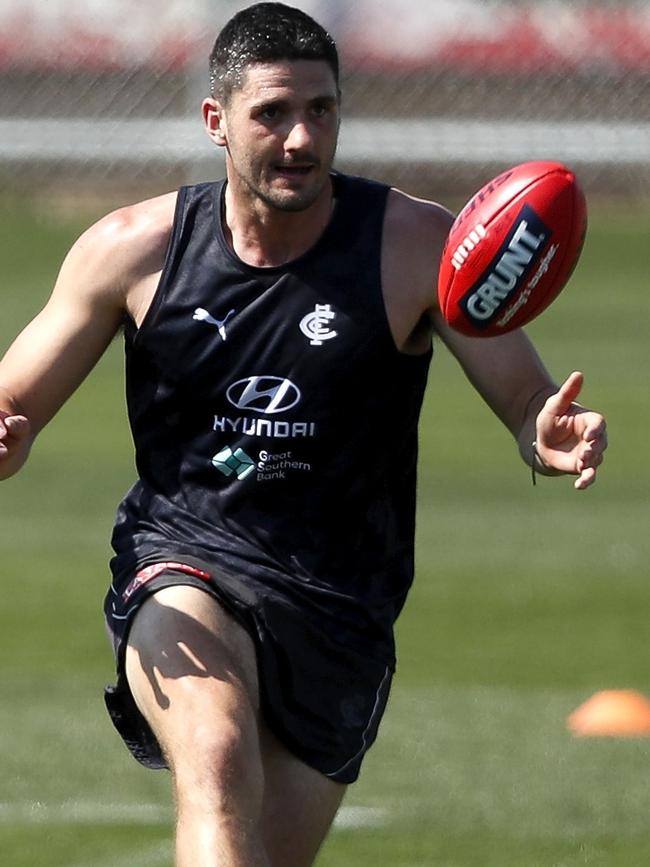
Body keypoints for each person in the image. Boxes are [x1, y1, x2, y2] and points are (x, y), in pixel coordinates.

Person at [0, 3, 607, 866]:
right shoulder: (133, 251)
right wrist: (8, 434)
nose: (300, 139)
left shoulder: (413, 245)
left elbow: (525, 399)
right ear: (216, 121)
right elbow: (12, 401)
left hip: (342, 602)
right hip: (185, 555)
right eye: (272, 113)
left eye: (320, 110)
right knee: (212, 754)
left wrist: (545, 429)